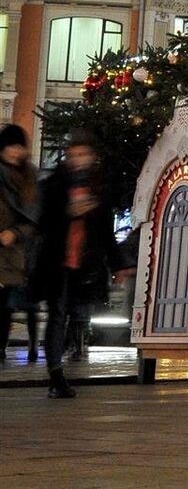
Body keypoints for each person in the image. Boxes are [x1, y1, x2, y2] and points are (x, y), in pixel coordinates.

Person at [33, 129, 115, 399]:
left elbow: (106, 231)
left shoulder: (99, 187)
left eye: (83, 154)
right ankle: (56, 376)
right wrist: (68, 213)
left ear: (92, 157)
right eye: (74, 154)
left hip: (84, 264)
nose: (78, 159)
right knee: (57, 316)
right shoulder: (55, 184)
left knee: (75, 314)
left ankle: (63, 362)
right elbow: (41, 222)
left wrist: (118, 263)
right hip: (57, 262)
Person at [0, 124, 37, 363]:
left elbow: (35, 218)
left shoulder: (30, 178)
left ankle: (0, 348)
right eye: (10, 146)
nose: (15, 151)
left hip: (16, 253)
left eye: (19, 146)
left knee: (5, 307)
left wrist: (15, 232)